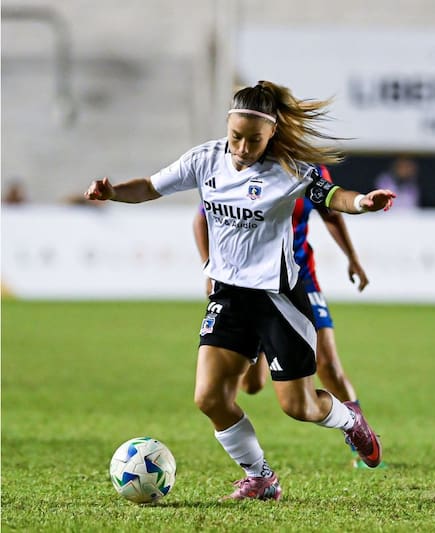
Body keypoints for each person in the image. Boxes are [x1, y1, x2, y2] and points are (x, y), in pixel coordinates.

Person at [85, 80, 395, 501]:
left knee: (298, 407)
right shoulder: (206, 160)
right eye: (236, 137)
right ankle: (262, 478)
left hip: (278, 299)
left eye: (254, 139)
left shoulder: (291, 171)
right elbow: (151, 186)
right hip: (229, 296)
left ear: (272, 134)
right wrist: (114, 193)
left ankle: (351, 423)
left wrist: (363, 203)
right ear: (227, 127)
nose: (244, 147)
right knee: (210, 397)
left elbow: (335, 197)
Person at [192, 164, 385, 468]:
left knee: (328, 364)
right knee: (252, 385)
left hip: (299, 282)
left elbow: (332, 211)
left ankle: (357, 437)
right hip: (249, 286)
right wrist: (209, 265)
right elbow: (201, 219)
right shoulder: (235, 166)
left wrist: (352, 258)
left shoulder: (310, 171)